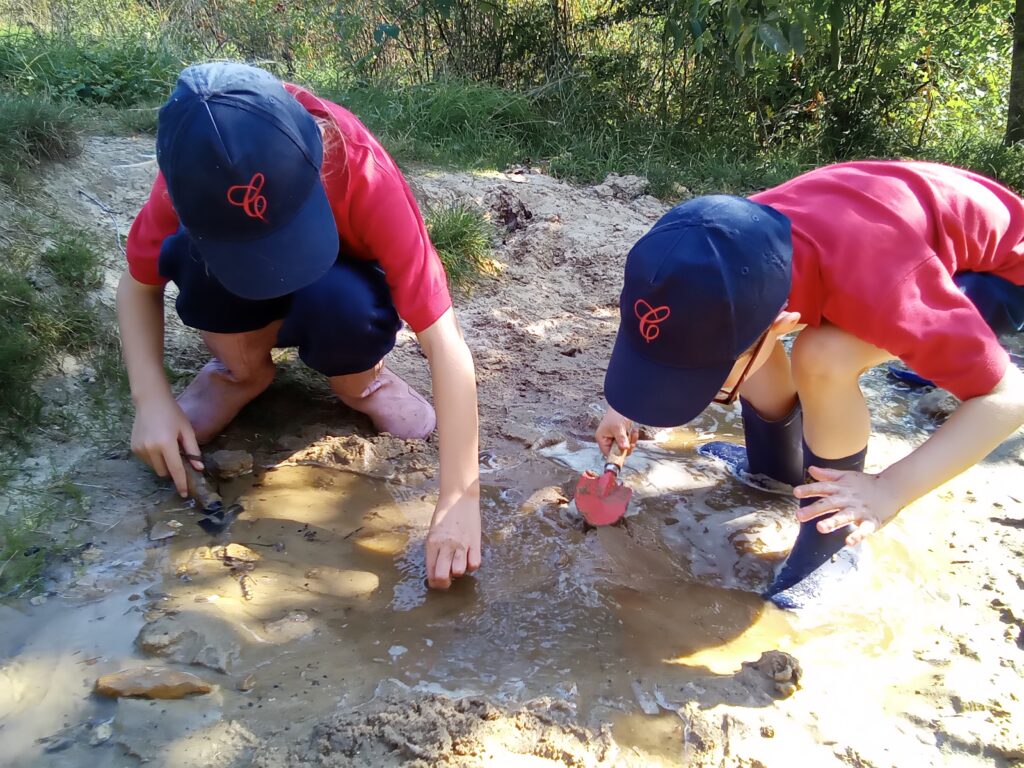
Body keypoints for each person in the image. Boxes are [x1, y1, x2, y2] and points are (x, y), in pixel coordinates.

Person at [595, 160, 1024, 608]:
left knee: (823, 356)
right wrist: (628, 402)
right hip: (883, 237)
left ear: (781, 321)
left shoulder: (883, 284)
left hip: (994, 272)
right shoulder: (722, 248)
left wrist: (888, 490)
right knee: (743, 344)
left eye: (707, 377)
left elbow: (1007, 397)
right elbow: (673, 326)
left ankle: (832, 536)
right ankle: (775, 471)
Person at [118, 62, 480, 589]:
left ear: (317, 155)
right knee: (189, 259)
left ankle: (361, 380)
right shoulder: (189, 180)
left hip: (337, 289)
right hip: (234, 297)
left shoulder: (359, 167)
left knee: (345, 300)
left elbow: (444, 342)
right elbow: (138, 285)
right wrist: (151, 400)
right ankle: (240, 372)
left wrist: (460, 497)